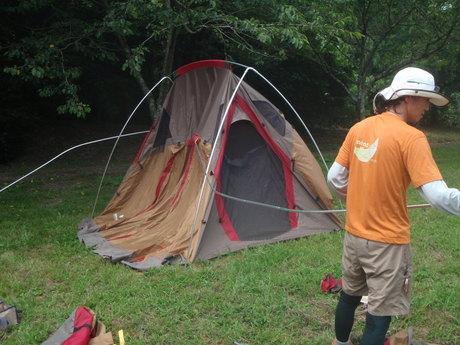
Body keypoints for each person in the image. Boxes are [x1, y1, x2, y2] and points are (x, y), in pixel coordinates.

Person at [327, 67, 460, 345]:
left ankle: (340, 343)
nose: (427, 108)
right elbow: (437, 195)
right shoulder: (412, 138)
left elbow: (334, 177)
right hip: (387, 244)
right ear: (408, 97)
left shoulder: (359, 128)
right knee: (379, 314)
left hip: (354, 236)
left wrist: (358, 197)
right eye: (425, 100)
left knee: (349, 296)